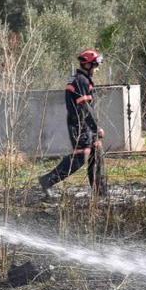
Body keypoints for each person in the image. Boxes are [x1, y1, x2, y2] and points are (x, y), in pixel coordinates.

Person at [38, 49, 108, 197]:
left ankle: (100, 192)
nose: (97, 69)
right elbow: (85, 107)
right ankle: (47, 181)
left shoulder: (80, 79)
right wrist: (96, 127)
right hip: (80, 125)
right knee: (80, 157)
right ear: (88, 65)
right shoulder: (81, 80)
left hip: (84, 124)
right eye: (95, 65)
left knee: (96, 154)